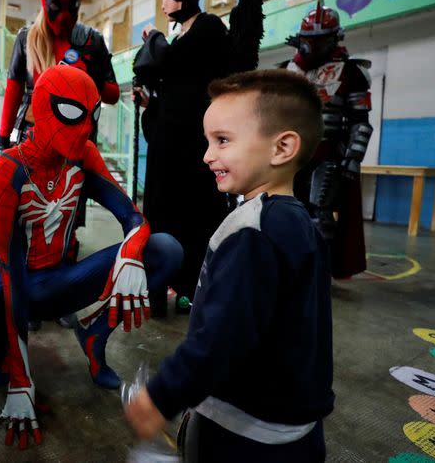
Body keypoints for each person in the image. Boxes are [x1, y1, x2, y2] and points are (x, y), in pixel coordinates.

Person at [0, 65, 182, 449]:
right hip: (7, 285)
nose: (85, 130)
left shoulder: (84, 156)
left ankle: (94, 334)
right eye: (73, 115)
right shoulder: (5, 172)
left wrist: (130, 251)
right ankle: (1, 356)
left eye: (92, 117)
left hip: (62, 282)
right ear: (41, 109)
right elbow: (10, 273)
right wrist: (20, 379)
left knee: (165, 250)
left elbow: (134, 217)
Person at [125, 70, 333, 463]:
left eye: (222, 141)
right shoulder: (300, 222)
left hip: (244, 433)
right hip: (297, 426)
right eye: (208, 141)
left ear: (282, 147)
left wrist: (162, 395)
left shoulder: (252, 231)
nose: (207, 155)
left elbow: (221, 338)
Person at [133, 0, 263, 315]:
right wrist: (149, 96)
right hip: (167, 149)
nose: (162, 0)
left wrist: (154, 38)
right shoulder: (183, 35)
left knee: (193, 217)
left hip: (192, 148)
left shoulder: (206, 29)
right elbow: (169, 78)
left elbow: (176, 65)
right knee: (161, 215)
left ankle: (190, 285)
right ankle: (159, 287)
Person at [282, 0, 373, 279]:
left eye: (321, 38)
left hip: (328, 156)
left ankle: (318, 274)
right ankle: (287, 267)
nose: (315, 44)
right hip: (290, 157)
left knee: (320, 216)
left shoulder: (351, 73)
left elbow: (361, 123)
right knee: (284, 211)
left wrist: (352, 160)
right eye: (311, 38)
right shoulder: (288, 70)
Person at [0, 0, 119, 151]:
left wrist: (91, 78)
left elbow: (113, 94)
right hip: (36, 142)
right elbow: (13, 92)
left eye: (69, 8)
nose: (63, 18)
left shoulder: (91, 40)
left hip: (74, 144)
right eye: (56, 7)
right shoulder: (27, 38)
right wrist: (4, 140)